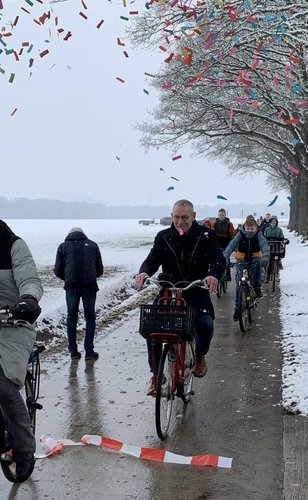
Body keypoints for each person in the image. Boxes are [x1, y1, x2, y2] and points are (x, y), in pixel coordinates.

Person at [135, 199, 225, 395]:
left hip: (195, 289)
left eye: (184, 217)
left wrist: (213, 275)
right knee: (151, 329)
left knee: (205, 325)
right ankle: (156, 375)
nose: (180, 222)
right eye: (176, 217)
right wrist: (144, 272)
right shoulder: (164, 237)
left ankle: (200, 356)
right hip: (169, 288)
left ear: (193, 216)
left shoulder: (206, 236)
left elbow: (218, 259)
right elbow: (152, 259)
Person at [0, 220, 43, 482]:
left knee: (3, 386)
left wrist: (28, 299)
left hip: (13, 324)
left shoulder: (13, 245)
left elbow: (29, 278)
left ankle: (25, 449)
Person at [54, 227, 104, 361]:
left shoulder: (63, 247)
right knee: (90, 317)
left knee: (71, 317)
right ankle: (89, 351)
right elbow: (100, 269)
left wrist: (69, 278)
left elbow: (57, 270)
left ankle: (73, 351)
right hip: (89, 286)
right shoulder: (93, 245)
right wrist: (90, 276)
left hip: (71, 286)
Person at [223, 217, 270, 321]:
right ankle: (237, 308)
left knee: (257, 274)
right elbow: (232, 245)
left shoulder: (259, 234)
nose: (249, 231)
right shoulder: (240, 234)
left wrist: (266, 256)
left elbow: (264, 245)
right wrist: (225, 256)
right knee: (239, 283)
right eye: (248, 229)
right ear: (244, 227)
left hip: (255, 259)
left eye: (252, 229)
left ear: (256, 228)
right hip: (242, 260)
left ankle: (257, 289)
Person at [211, 208, 236, 280]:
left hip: (226, 241)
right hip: (217, 241)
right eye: (220, 215)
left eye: (223, 215)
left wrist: (233, 242)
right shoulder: (214, 224)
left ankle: (228, 274)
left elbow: (232, 233)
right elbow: (212, 233)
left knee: (226, 257)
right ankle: (216, 273)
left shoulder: (229, 224)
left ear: (225, 215)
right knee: (216, 257)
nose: (221, 216)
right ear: (218, 215)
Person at [263, 216, 284, 283]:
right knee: (270, 262)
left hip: (277, 246)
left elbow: (282, 238)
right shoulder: (267, 229)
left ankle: (278, 270)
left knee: (278, 257)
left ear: (276, 222)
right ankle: (268, 277)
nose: (273, 222)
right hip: (269, 246)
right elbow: (264, 237)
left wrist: (284, 240)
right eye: (272, 221)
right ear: (270, 222)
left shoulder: (279, 230)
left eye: (274, 221)